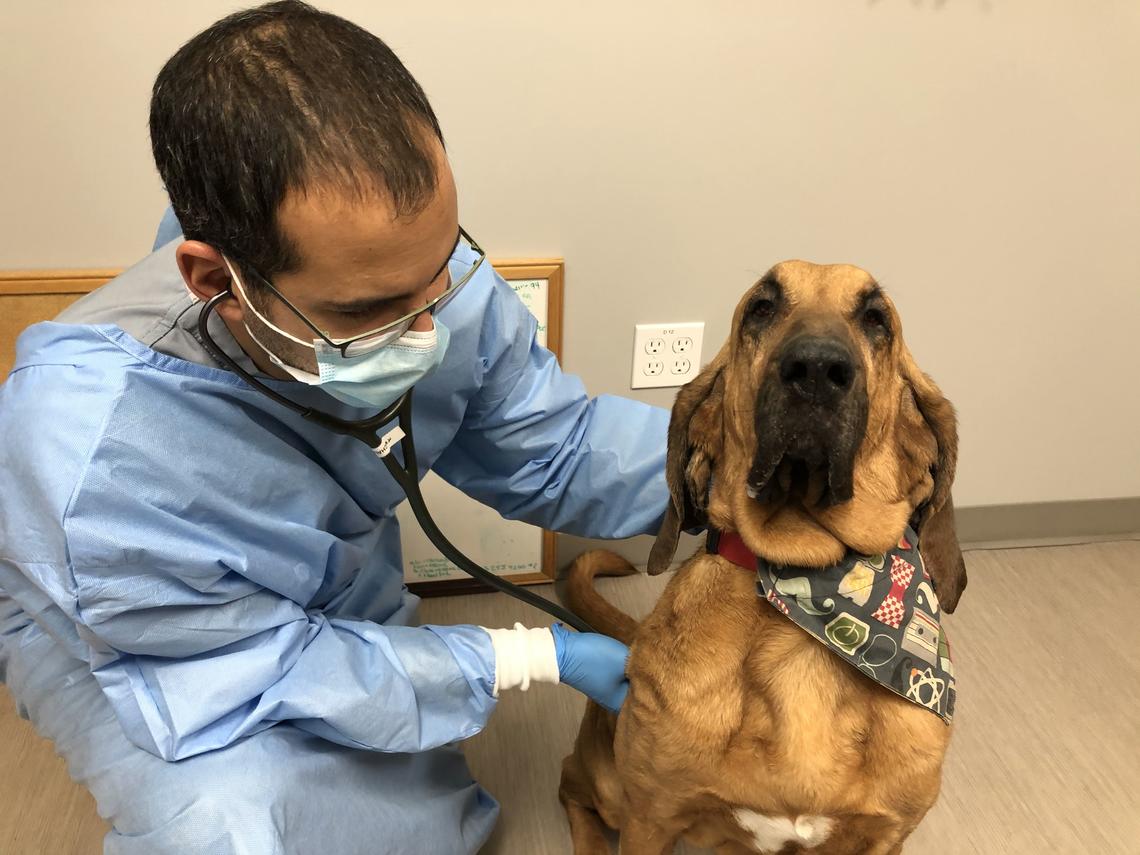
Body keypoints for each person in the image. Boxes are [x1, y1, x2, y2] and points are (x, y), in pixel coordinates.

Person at [0, 3, 668, 852]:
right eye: (370, 310)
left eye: (436, 274)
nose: (430, 330)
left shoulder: (431, 279)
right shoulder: (91, 455)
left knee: (410, 794)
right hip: (134, 635)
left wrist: (740, 477)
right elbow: (254, 665)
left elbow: (560, 449)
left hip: (320, 583)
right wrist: (533, 657)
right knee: (233, 823)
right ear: (215, 280)